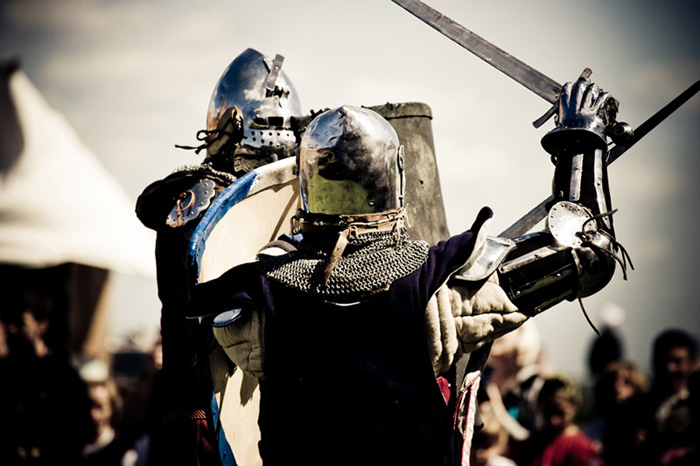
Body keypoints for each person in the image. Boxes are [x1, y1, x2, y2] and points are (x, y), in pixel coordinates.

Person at [193, 76, 627, 465]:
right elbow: (588, 253)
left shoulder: (254, 304)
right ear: (395, 176)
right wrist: (582, 137)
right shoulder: (439, 292)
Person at [135, 47, 303, 465]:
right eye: (269, 124)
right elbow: (199, 294)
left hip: (268, 401)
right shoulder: (198, 199)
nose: (277, 136)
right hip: (202, 405)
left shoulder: (293, 200)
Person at [0, 290, 95, 465]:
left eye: (21, 323)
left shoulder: (64, 376)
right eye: (11, 323)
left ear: (42, 326)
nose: (13, 329)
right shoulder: (10, 373)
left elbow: (83, 430)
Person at [511, 373, 603, 466]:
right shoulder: (531, 445)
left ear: (575, 405)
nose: (553, 420)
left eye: (560, 413)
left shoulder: (583, 448)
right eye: (548, 412)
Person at [649, 329, 699, 465]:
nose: (669, 368)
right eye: (663, 360)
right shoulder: (641, 406)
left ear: (692, 363)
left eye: (677, 361)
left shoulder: (694, 405)